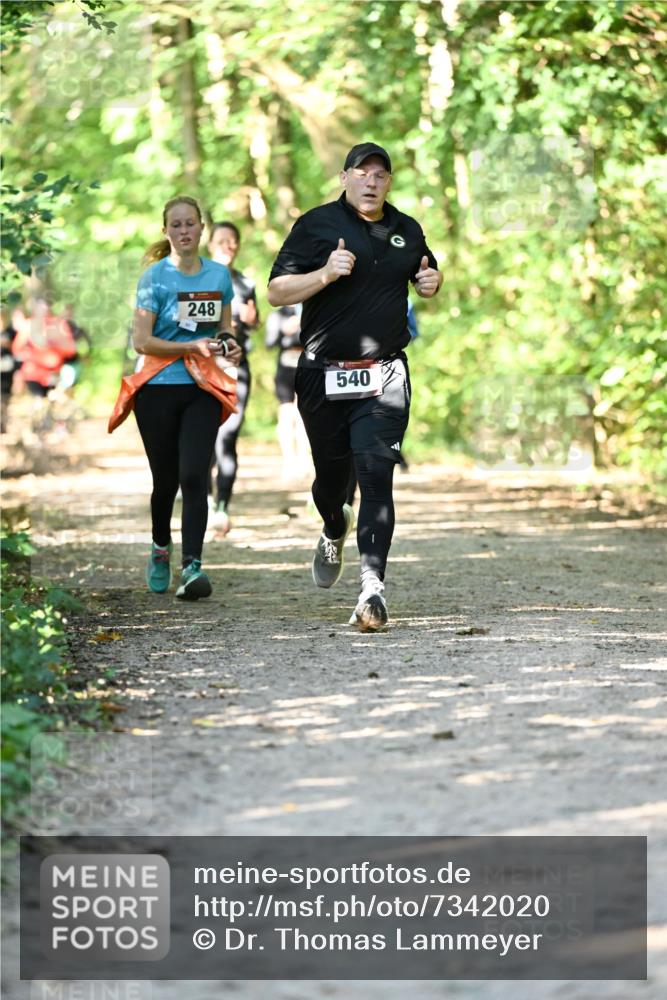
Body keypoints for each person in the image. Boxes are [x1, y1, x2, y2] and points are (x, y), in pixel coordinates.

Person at [267, 142, 441, 631]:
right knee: (330, 482)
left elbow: (426, 272)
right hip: (321, 373)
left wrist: (432, 282)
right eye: (362, 173)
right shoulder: (316, 225)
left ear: (389, 182)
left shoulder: (406, 229)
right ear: (345, 178)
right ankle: (331, 526)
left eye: (380, 175)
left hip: (384, 373)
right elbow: (276, 291)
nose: (371, 182)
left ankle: (372, 588)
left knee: (375, 472)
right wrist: (325, 274)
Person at [114, 196, 242, 600]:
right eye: (176, 225)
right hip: (157, 388)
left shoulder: (219, 276)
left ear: (202, 228)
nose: (184, 231)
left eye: (190, 224)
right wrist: (190, 347)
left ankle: (192, 567)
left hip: (202, 388)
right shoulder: (154, 278)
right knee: (166, 481)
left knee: (194, 476)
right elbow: (142, 341)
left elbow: (223, 329)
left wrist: (229, 345)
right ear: (166, 231)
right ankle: (160, 547)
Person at [207, 221, 259, 534]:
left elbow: (255, 322)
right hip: (202, 369)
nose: (227, 246)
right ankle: (204, 499)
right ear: (209, 244)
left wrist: (251, 320)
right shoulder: (197, 279)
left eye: (232, 241)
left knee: (227, 436)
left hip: (236, 368)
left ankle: (222, 506)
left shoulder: (245, 283)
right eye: (221, 240)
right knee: (204, 438)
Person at [265, 303, 311, 480]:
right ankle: (289, 460)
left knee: (304, 415)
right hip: (285, 367)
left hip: (307, 365)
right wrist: (283, 330)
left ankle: (304, 459)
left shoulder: (309, 309)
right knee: (286, 413)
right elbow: (270, 343)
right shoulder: (278, 315)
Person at [1, 306, 21, 434]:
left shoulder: (11, 332)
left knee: (5, 396)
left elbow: (18, 348)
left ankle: (3, 424)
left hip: (8, 370)